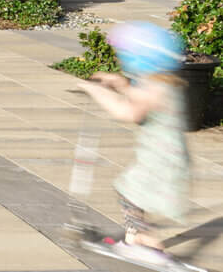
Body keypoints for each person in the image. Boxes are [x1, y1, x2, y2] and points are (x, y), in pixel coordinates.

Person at [79, 21, 193, 269]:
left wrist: (97, 93)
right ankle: (134, 239)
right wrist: (121, 85)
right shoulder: (162, 83)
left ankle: (147, 242)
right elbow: (137, 97)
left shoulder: (153, 88)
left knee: (129, 193)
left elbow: (129, 113)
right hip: (165, 157)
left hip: (161, 160)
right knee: (131, 193)